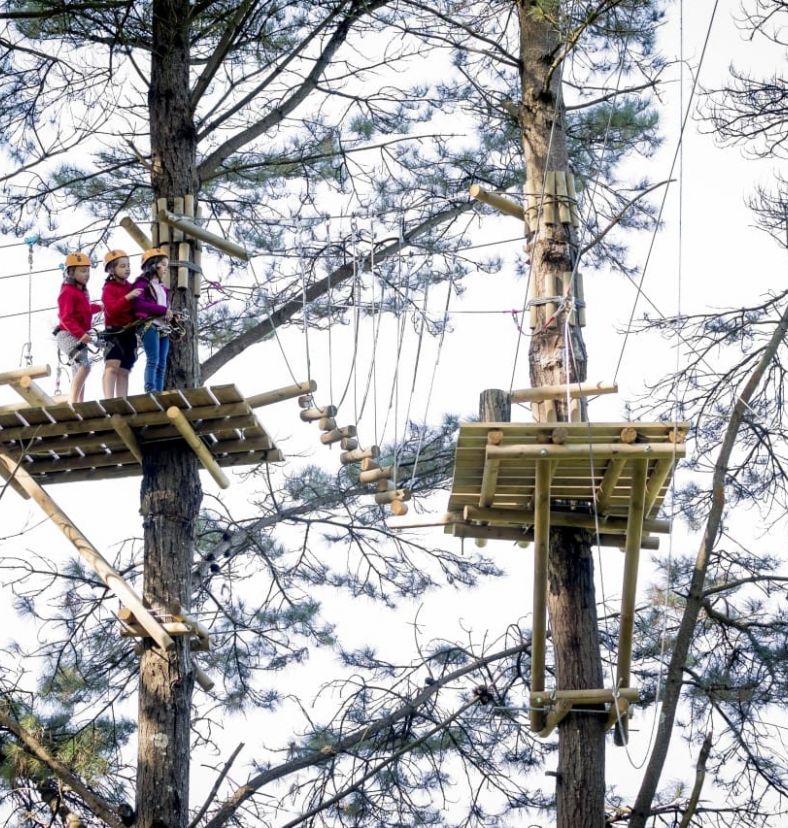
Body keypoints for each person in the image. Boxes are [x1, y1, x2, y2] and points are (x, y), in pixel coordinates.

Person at [55, 252, 102, 403]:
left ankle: (79, 403)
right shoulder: (67, 292)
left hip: (78, 335)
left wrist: (100, 307)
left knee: (79, 370)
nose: (87, 274)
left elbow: (84, 309)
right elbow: (66, 318)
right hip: (67, 335)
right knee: (84, 366)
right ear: (71, 272)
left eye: (88, 270)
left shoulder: (80, 292)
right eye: (82, 271)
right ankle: (73, 402)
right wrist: (81, 334)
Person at [101, 249, 142, 398]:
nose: (127, 269)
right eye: (122, 266)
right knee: (112, 366)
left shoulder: (130, 286)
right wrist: (127, 297)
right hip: (115, 332)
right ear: (112, 270)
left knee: (125, 370)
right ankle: (108, 399)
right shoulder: (109, 289)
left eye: (128, 265)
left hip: (129, 332)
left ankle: (122, 399)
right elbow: (111, 310)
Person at [132, 248, 172, 393]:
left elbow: (164, 307)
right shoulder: (141, 283)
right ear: (154, 265)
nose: (166, 268)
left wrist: (170, 314)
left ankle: (159, 392)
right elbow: (138, 304)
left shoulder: (162, 288)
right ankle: (150, 390)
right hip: (149, 325)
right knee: (153, 359)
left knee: (162, 363)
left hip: (163, 327)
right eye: (163, 264)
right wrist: (162, 310)